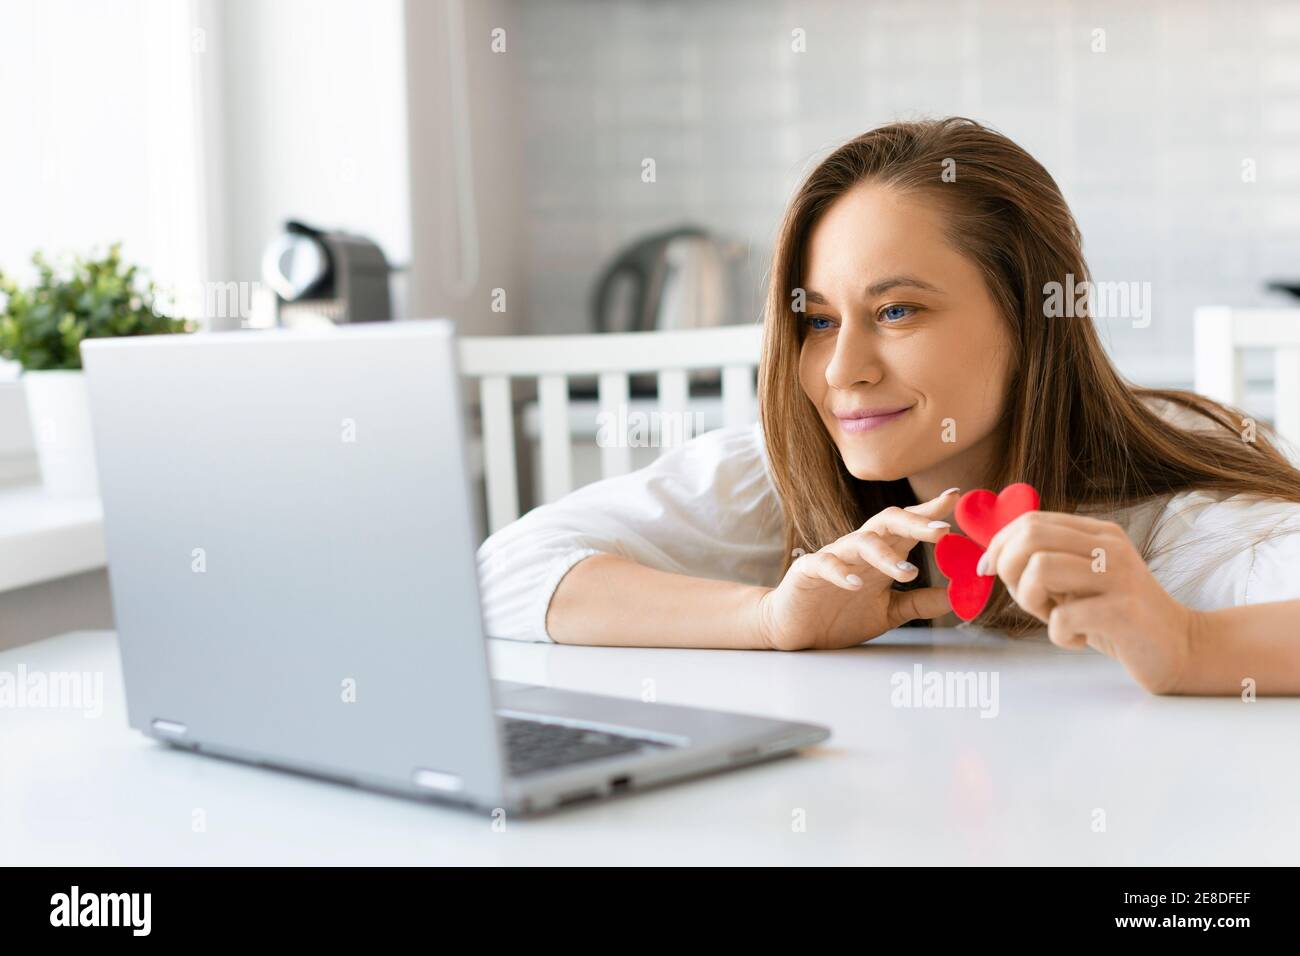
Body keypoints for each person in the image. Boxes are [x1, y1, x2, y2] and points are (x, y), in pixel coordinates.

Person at [477, 117, 1300, 696]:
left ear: (1034, 315)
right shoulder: (781, 476)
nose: (843, 370)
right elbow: (503, 576)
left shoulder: (1180, 513)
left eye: (898, 311)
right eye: (818, 321)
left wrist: (1192, 645)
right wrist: (769, 619)